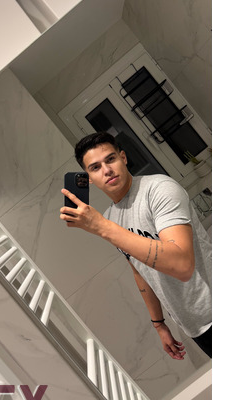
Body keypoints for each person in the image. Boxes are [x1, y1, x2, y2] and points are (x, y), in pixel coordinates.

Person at [59, 132, 212, 359]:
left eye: (110, 159)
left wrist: (102, 227)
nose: (106, 170)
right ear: (89, 178)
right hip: (194, 325)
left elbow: (182, 265)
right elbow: (139, 269)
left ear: (123, 158)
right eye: (95, 167)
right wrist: (158, 324)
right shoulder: (111, 217)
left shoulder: (159, 189)